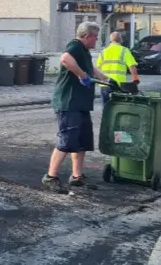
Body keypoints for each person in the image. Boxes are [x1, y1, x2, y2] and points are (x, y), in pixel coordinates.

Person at [42, 22, 113, 193]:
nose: (97, 40)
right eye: (95, 37)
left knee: (82, 141)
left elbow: (90, 67)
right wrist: (82, 76)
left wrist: (105, 79)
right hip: (69, 103)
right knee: (67, 140)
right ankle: (50, 177)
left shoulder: (84, 52)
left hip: (80, 104)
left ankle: (77, 177)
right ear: (86, 36)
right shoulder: (75, 45)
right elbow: (65, 59)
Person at [96, 31, 139, 103]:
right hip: (119, 85)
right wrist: (136, 78)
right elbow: (132, 66)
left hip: (104, 84)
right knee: (117, 107)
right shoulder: (124, 50)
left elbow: (98, 67)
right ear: (121, 40)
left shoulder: (104, 51)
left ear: (111, 40)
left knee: (106, 107)